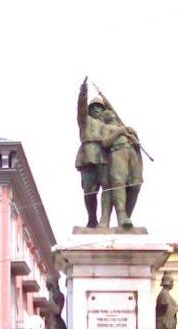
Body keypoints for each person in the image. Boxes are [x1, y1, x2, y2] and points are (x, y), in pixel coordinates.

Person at [75, 77, 109, 228]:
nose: (96, 109)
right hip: (88, 154)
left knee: (108, 187)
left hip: (104, 155)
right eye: (93, 106)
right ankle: (92, 218)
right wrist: (83, 92)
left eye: (99, 107)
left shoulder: (109, 124)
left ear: (103, 110)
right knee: (89, 190)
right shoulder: (85, 120)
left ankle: (104, 219)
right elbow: (81, 106)